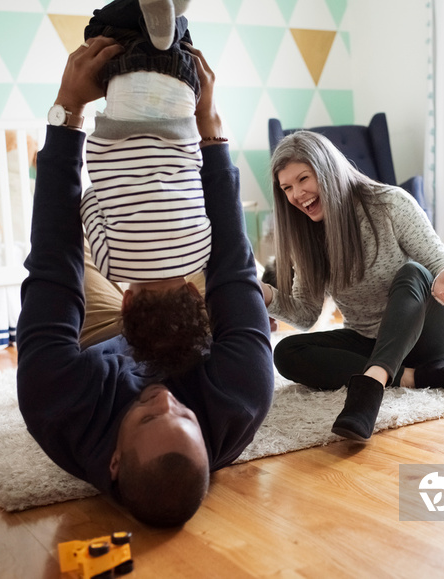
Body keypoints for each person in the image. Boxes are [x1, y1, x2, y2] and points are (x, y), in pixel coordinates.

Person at [16, 37, 274, 528]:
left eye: (150, 417)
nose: (165, 400)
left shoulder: (57, 405)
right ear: (206, 439)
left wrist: (67, 112)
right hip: (183, 327)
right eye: (185, 416)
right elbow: (234, 266)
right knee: (181, 255)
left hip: (93, 344)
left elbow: (53, 260)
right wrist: (211, 128)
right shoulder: (240, 399)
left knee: (80, 253)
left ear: (114, 461)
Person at [259, 130, 444, 442]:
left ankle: (370, 388)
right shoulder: (306, 236)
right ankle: (417, 377)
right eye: (287, 188)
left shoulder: (389, 203)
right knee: (288, 352)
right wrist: (266, 295)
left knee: (413, 272)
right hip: (372, 341)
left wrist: (443, 276)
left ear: (327, 170)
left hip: (432, 334)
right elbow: (305, 315)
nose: (297, 194)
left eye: (304, 178)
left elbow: (437, 259)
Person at [78, 0, 211, 377]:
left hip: (182, 101)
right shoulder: (112, 263)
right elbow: (90, 201)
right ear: (126, 304)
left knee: (177, 37)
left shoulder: (199, 252)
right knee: (100, 27)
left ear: (194, 293)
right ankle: (155, 14)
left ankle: (171, 18)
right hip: (122, 105)